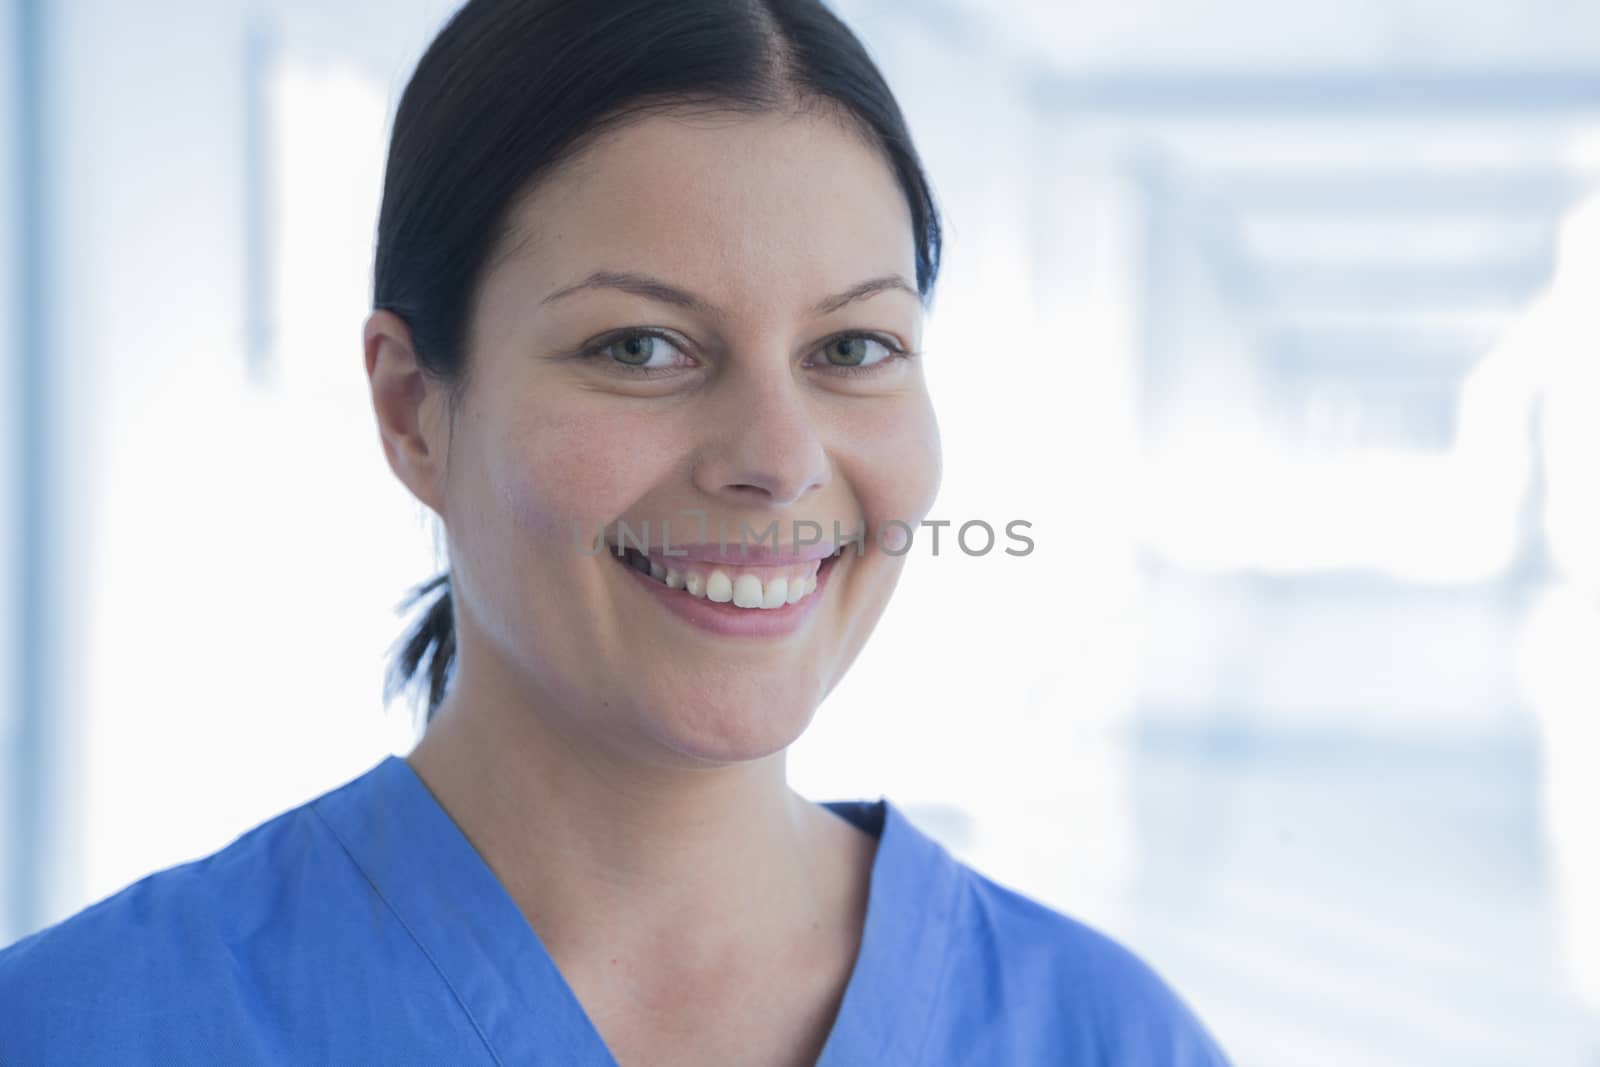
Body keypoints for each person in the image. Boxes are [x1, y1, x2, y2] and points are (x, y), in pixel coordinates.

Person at [0, 1, 1235, 1063]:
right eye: (639, 347)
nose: (777, 459)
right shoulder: (82, 1026)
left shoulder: (1099, 1033)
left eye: (852, 348)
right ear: (412, 409)